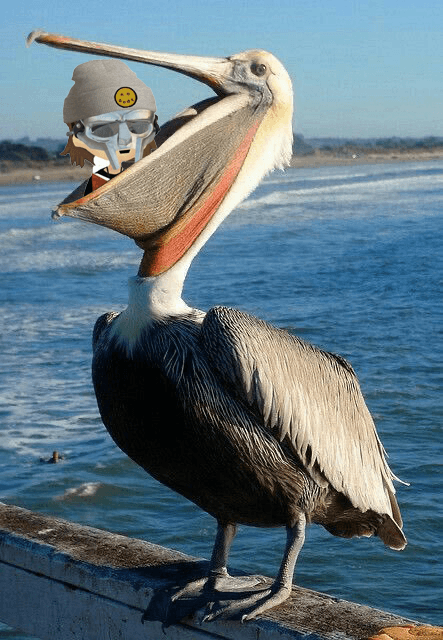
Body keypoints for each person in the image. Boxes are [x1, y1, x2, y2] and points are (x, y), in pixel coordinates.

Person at [61, 59, 158, 194]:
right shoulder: (96, 186)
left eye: (138, 126)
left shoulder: (162, 174)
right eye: (105, 130)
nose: (125, 139)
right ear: (78, 137)